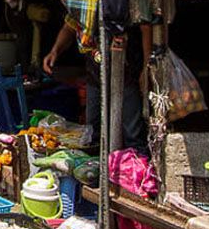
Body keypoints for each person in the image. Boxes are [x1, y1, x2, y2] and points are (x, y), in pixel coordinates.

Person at [43, 20, 149, 152]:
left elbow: (146, 27)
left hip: (127, 71)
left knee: (133, 135)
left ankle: (135, 167)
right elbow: (70, 24)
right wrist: (55, 51)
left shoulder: (121, 1)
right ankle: (95, 169)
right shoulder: (84, 2)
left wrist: (146, 66)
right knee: (93, 133)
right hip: (95, 75)